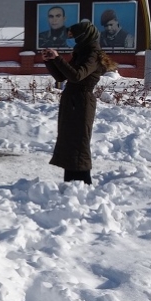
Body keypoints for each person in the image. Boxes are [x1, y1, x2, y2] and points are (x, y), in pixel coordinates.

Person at [42, 21, 117, 184]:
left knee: (79, 142)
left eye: (75, 36)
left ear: (85, 36)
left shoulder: (92, 54)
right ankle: (70, 180)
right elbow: (62, 76)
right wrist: (50, 61)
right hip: (72, 100)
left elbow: (77, 76)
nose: (73, 39)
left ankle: (84, 182)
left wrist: (58, 58)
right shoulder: (81, 52)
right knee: (69, 141)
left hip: (82, 101)